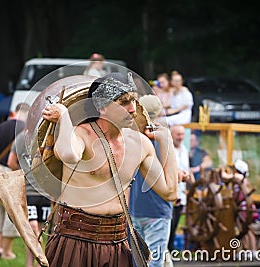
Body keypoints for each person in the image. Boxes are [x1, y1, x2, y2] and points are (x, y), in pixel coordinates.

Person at [42, 72, 178, 266]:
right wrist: (64, 116)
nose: (133, 109)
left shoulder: (140, 144)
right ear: (102, 107)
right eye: (123, 102)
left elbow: (170, 192)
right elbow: (68, 155)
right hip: (74, 239)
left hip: (117, 242)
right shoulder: (81, 135)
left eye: (133, 100)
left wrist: (167, 142)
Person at [129, 95, 172, 267]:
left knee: (136, 260)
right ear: (159, 112)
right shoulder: (161, 138)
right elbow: (169, 173)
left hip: (134, 208)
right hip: (157, 210)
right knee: (155, 262)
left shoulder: (132, 138)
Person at [0, 102, 30, 259]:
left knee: (0, 211)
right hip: (12, 172)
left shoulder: (0, 127)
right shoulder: (25, 130)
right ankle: (6, 251)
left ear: (14, 112)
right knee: (12, 213)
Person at [7, 131, 52, 267]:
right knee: (34, 229)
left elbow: (11, 162)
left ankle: (39, 262)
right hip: (32, 192)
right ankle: (32, 263)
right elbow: (11, 162)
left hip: (43, 193)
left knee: (39, 230)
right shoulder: (24, 138)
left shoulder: (47, 137)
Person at [168, 124, 191, 251]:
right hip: (169, 192)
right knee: (169, 222)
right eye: (178, 134)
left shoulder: (185, 150)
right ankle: (166, 249)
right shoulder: (167, 149)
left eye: (182, 134)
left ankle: (170, 249)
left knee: (176, 222)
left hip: (181, 193)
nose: (181, 137)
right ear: (171, 135)